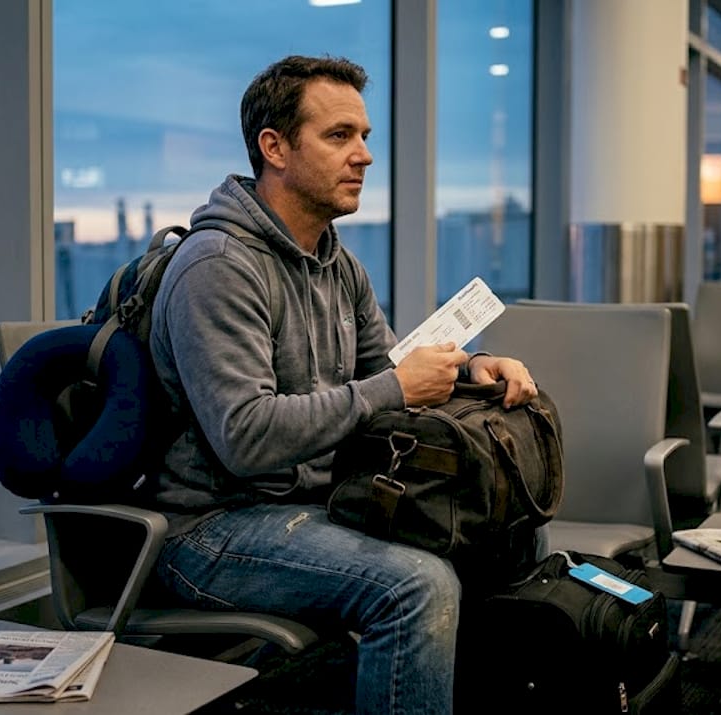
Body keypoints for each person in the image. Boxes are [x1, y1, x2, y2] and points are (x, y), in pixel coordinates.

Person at [147, 55, 538, 714]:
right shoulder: (218, 267)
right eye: (339, 136)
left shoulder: (338, 263)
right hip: (211, 526)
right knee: (416, 584)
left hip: (322, 499)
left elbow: (383, 375)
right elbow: (244, 437)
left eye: (364, 136)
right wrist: (393, 390)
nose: (364, 155)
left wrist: (471, 367)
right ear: (274, 148)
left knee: (511, 531)